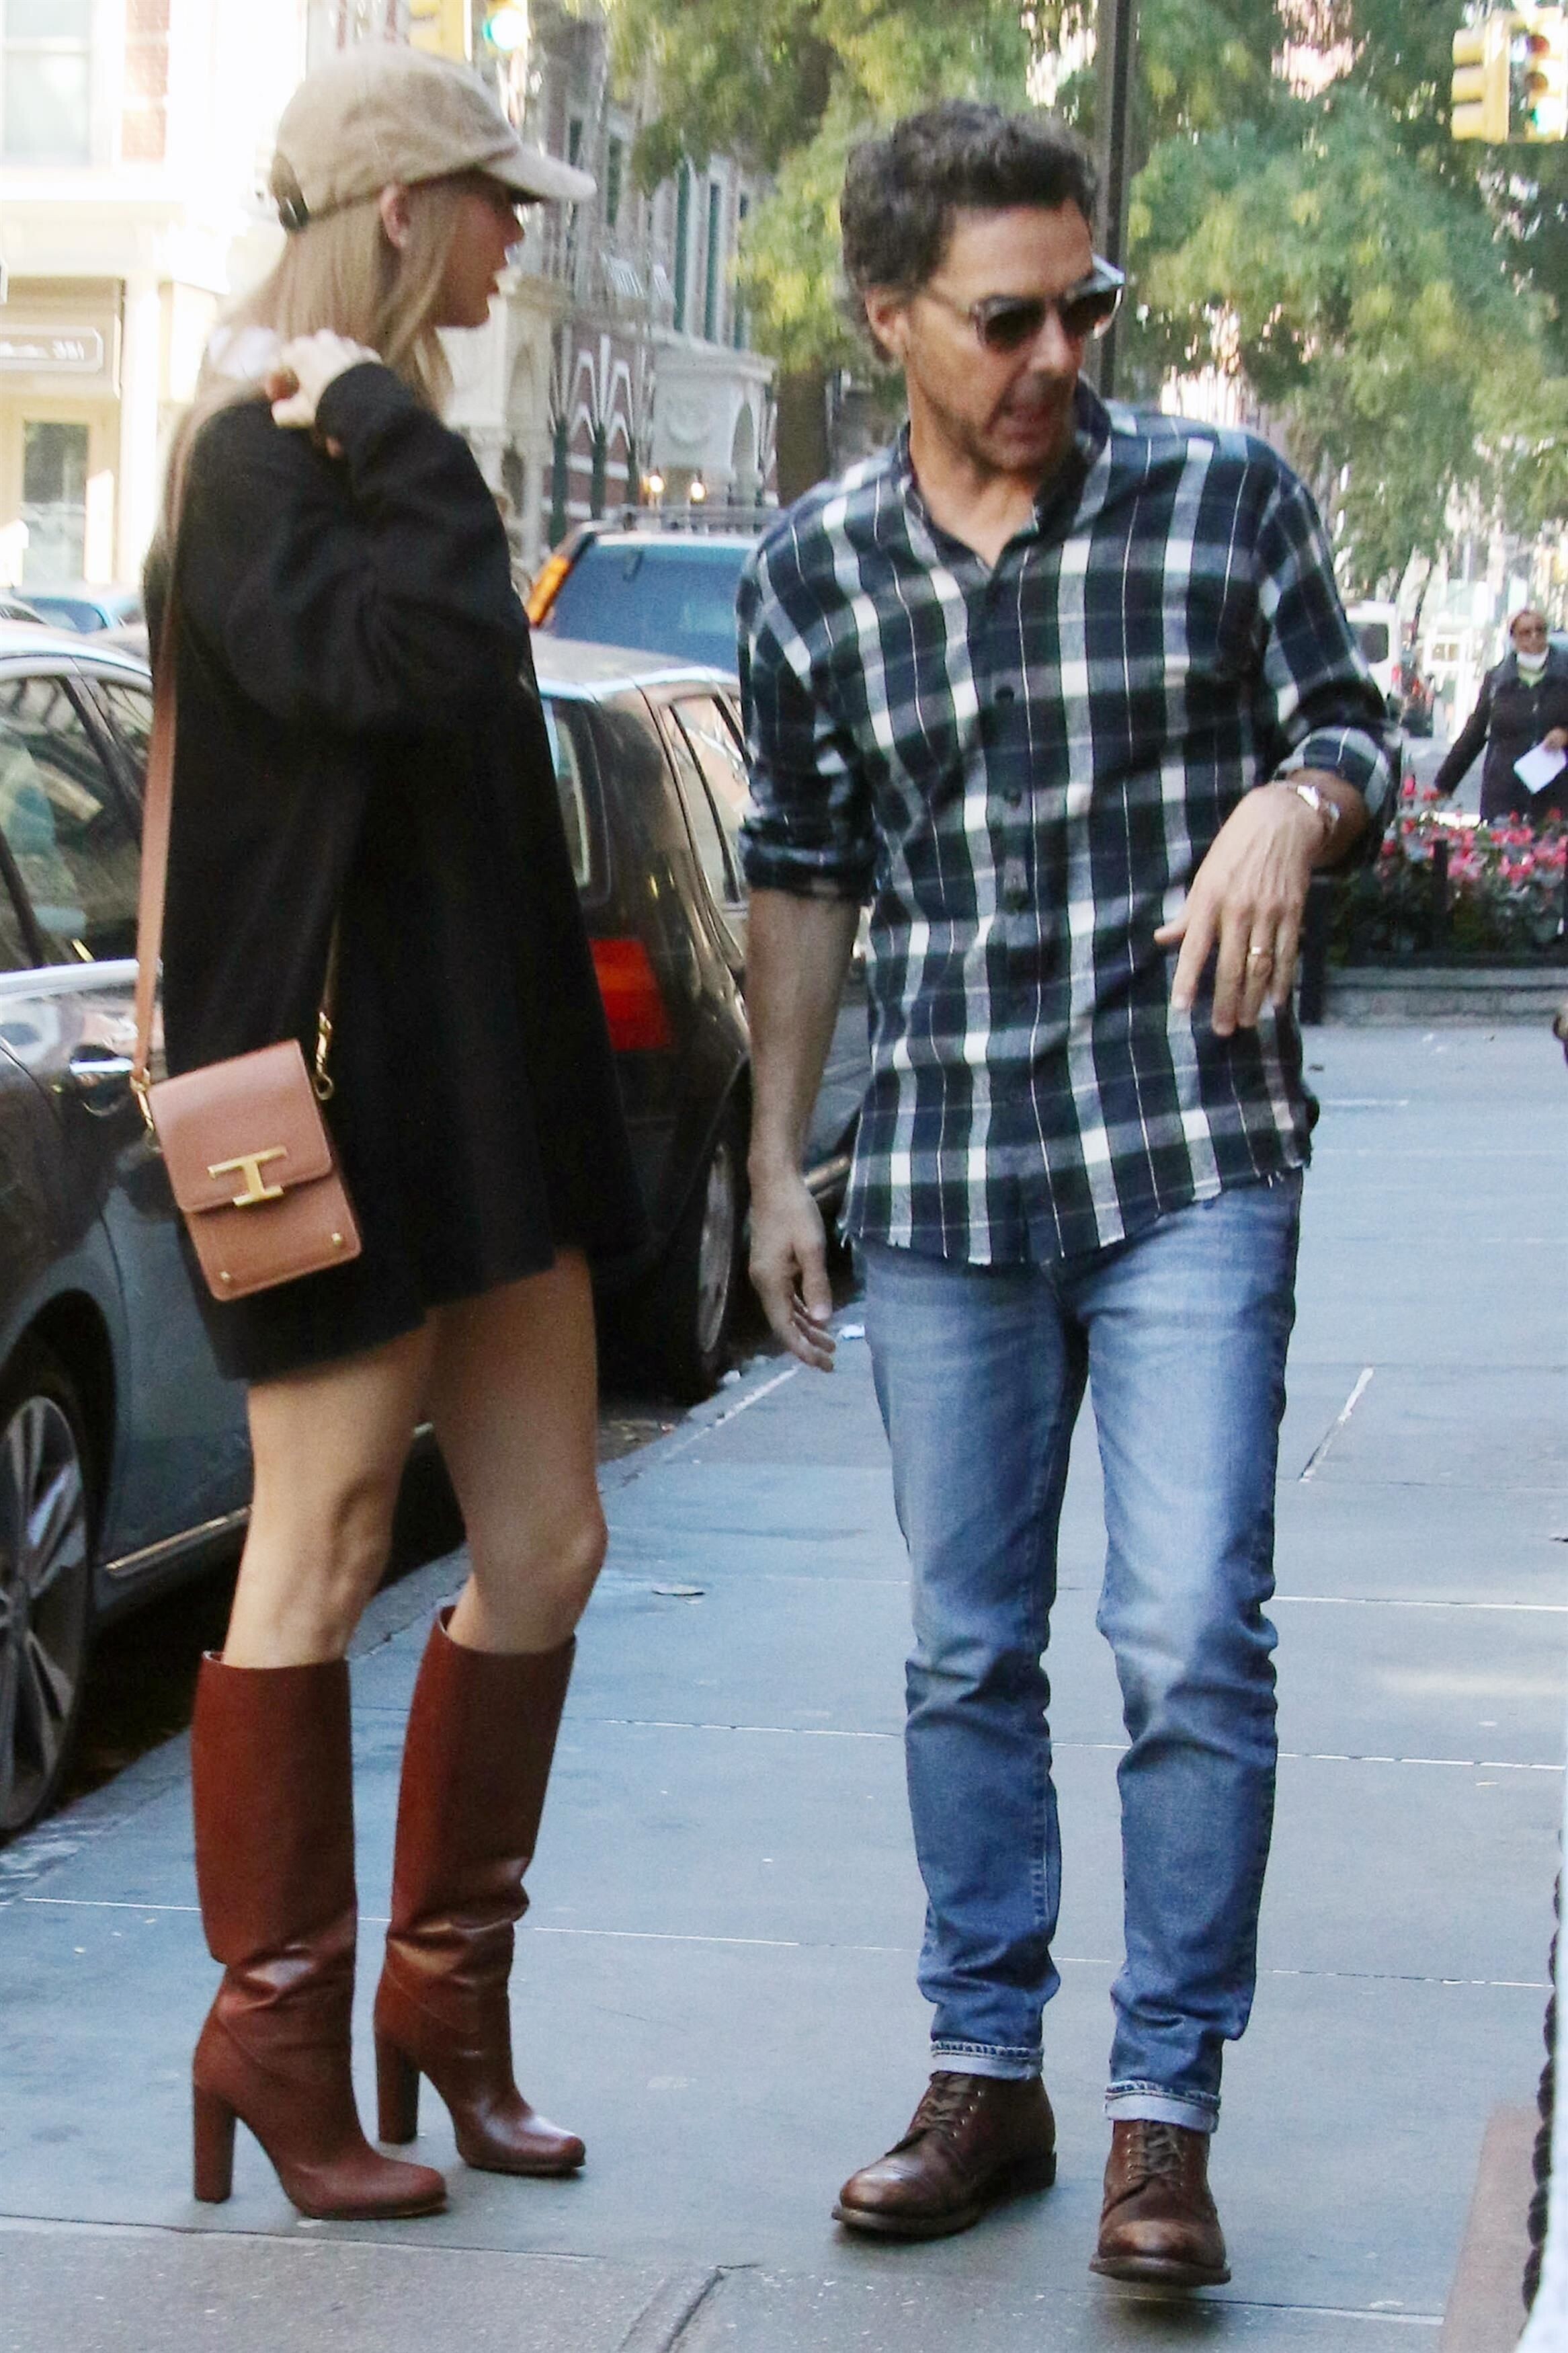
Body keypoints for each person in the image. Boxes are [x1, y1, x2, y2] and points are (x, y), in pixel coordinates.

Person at [738, 102, 1395, 2288]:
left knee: (1187, 1632)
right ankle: (983, 2073)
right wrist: (772, 1157)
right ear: (888, 317)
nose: (1054, 353)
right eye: (1004, 318)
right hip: (942, 1169)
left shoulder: (1219, 499)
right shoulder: (813, 573)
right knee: (962, 1649)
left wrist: (1294, 806)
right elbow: (803, 876)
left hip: (1184, 1151)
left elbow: (1354, 729)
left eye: (1082, 307)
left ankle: (1160, 2117)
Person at [152, 44, 645, 2223]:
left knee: (546, 1541)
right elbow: (417, 664)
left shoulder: (366, 440)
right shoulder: (263, 459)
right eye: (493, 199)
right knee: (325, 1540)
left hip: (482, 1094)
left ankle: (443, 1998)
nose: (517, 235)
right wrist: (373, 412)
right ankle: (273, 2032)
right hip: (335, 1110)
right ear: (400, 211)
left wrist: (386, 419)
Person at [1432, 607, 1568, 821]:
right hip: (1505, 795)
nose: (1534, 637)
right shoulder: (1497, 680)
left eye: (1540, 630)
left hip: (1556, 796)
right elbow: (1475, 733)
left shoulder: (1564, 677)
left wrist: (1565, 734)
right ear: (1514, 639)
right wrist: (1444, 784)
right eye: (1526, 632)